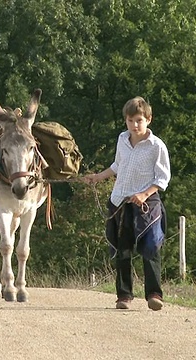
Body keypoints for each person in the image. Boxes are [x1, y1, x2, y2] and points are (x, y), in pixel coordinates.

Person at [83, 96, 170, 311]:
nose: (134, 125)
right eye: (130, 121)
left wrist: (144, 193)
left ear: (148, 119)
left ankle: (154, 294)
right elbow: (117, 166)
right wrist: (98, 177)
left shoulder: (156, 146)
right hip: (120, 200)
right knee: (122, 250)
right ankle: (124, 296)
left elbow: (162, 178)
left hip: (146, 204)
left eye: (139, 120)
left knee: (150, 248)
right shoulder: (122, 139)